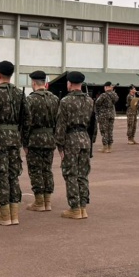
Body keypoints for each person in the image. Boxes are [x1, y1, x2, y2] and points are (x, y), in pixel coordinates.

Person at [0, 60, 29, 226]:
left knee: (2, 175)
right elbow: (26, 119)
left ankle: (4, 215)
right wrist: (23, 140)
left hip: (0, 139)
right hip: (15, 138)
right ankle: (14, 215)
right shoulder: (19, 93)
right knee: (13, 175)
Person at [55, 71, 96, 219]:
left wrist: (60, 145)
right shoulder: (89, 101)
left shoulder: (65, 101)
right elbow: (93, 124)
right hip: (85, 138)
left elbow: (61, 124)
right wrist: (91, 141)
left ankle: (74, 207)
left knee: (70, 174)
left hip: (71, 139)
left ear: (70, 83)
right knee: (83, 174)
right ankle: (83, 207)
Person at [21, 70, 60, 212]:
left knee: (35, 170)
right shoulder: (55, 99)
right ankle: (47, 201)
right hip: (50, 139)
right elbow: (59, 121)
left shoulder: (30, 100)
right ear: (45, 82)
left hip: (34, 139)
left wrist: (24, 142)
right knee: (47, 169)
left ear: (33, 83)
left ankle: (39, 202)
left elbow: (26, 123)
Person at [94, 82, 118, 153]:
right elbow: (116, 99)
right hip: (111, 114)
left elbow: (97, 103)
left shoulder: (103, 95)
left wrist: (97, 112)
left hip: (104, 115)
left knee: (104, 131)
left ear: (106, 87)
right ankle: (110, 146)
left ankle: (105, 147)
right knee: (110, 130)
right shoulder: (114, 95)